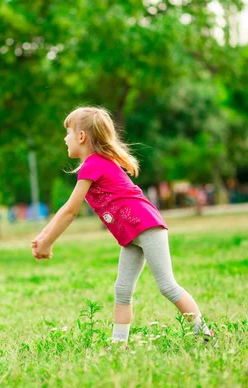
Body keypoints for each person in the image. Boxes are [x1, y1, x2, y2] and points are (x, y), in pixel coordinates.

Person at [31, 106, 216, 347]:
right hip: (131, 235)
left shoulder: (93, 165)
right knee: (122, 289)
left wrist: (48, 240)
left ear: (81, 137)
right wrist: (43, 236)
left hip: (147, 226)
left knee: (167, 286)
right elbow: (67, 208)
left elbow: (70, 210)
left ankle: (205, 335)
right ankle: (119, 346)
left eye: (67, 133)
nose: (64, 139)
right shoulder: (95, 164)